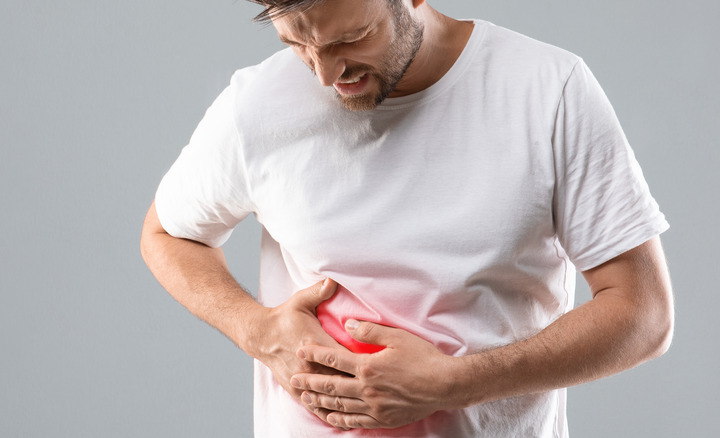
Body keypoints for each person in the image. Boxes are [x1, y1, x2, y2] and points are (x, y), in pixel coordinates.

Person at [140, 0, 675, 436]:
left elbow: (644, 313)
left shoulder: (548, 91)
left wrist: (453, 382)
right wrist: (257, 330)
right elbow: (166, 234)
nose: (327, 74)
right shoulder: (257, 104)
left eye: (350, 39)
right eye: (299, 44)